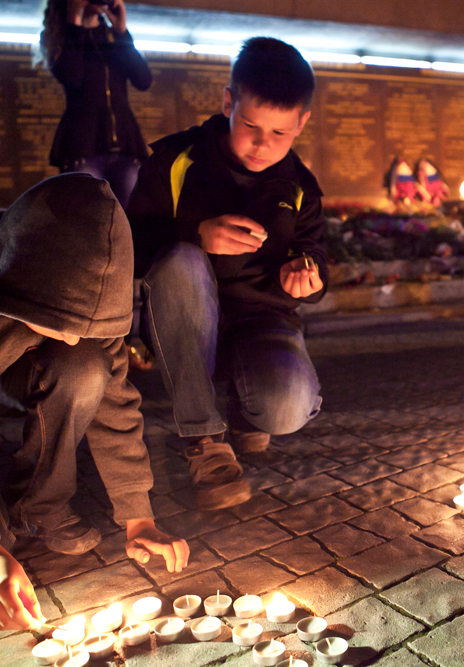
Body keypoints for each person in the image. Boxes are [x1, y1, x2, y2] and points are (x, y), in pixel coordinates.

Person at [0, 173, 189, 631]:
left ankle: (38, 508)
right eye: (65, 323)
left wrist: (138, 514)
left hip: (10, 371)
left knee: (86, 366)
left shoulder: (93, 293)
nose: (75, 338)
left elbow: (115, 402)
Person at [128, 37, 326, 510]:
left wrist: (309, 277)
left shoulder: (300, 186)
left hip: (262, 317)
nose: (262, 145)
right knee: (182, 259)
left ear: (302, 123)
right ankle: (204, 439)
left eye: (280, 133)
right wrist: (194, 233)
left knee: (286, 408)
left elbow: (314, 252)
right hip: (184, 318)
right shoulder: (175, 161)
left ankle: (245, 413)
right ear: (227, 103)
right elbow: (128, 244)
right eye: (251, 126)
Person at [39, 0, 151, 208]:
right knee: (87, 219)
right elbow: (72, 76)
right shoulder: (63, 39)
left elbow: (143, 80)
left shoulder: (111, 37)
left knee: (129, 220)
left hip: (126, 149)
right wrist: (74, 20)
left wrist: (121, 32)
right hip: (83, 150)